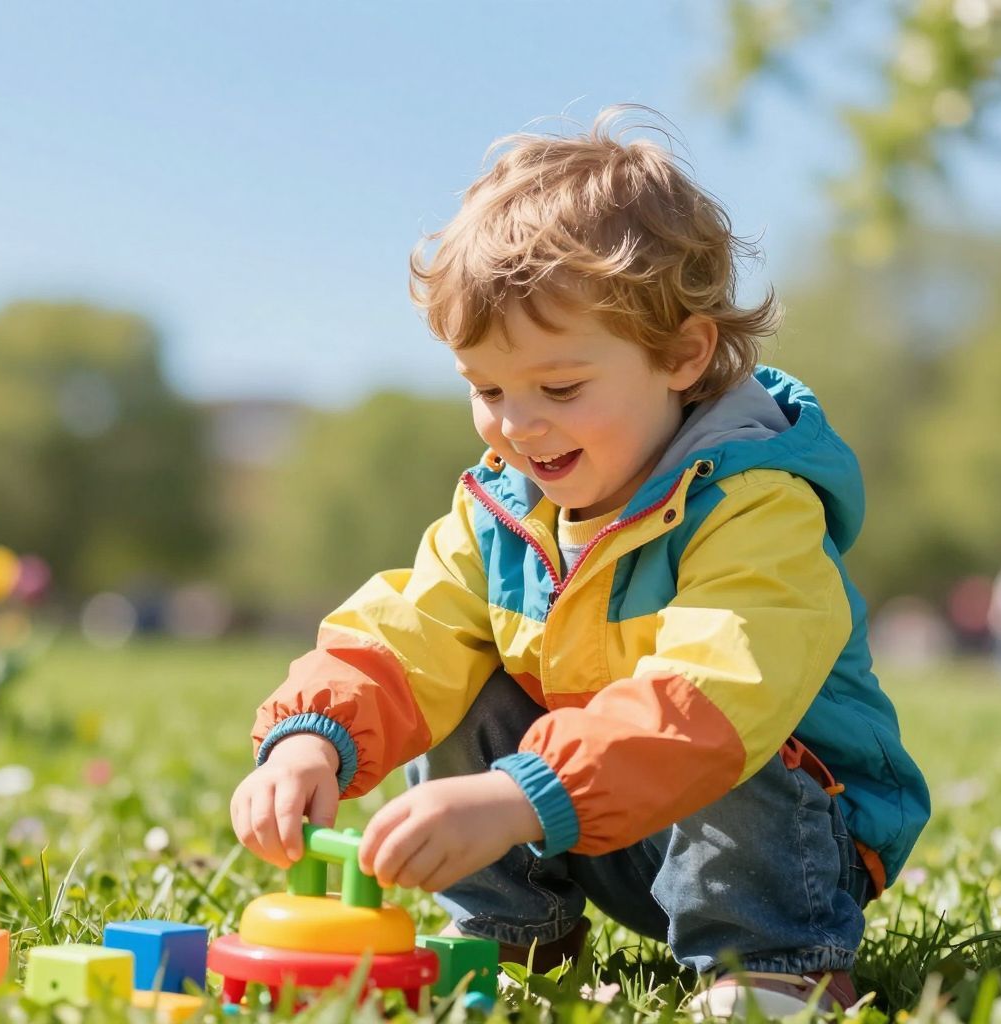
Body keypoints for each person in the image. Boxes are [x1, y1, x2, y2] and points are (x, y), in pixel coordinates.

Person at [230, 106, 929, 1018]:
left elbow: (715, 697)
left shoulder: (755, 503)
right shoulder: (501, 511)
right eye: (487, 388)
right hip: (592, 821)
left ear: (683, 355)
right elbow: (406, 634)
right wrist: (311, 736)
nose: (518, 425)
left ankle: (776, 964)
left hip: (786, 841)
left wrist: (521, 797)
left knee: (732, 734)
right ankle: (518, 937)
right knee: (465, 678)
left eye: (560, 387)